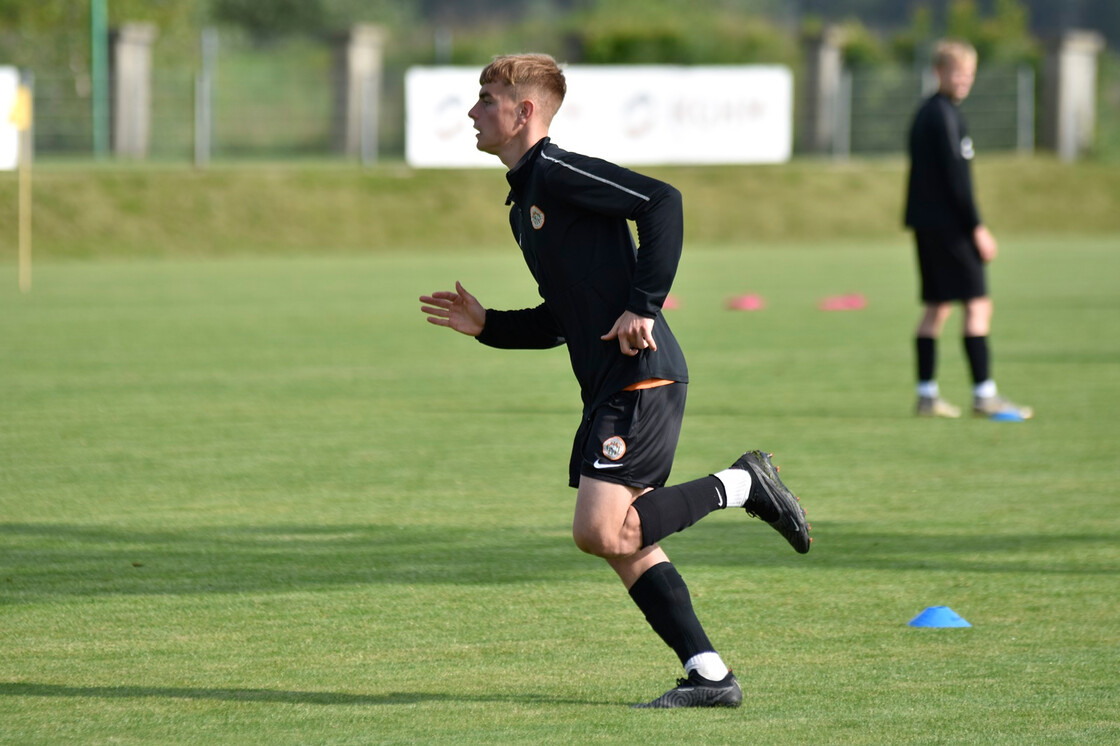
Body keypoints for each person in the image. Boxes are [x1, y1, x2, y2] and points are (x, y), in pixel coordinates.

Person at [419, 54, 811, 709]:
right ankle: (710, 675)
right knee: (625, 541)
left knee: (602, 530)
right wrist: (488, 325)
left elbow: (663, 202)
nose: (472, 112)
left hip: (642, 378)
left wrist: (645, 304)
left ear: (524, 113)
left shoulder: (557, 171)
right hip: (609, 385)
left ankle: (744, 483)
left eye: (486, 99)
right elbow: (562, 319)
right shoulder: (525, 206)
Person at [905, 39, 1032, 419]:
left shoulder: (928, 113)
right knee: (978, 304)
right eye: (957, 72)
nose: (964, 80)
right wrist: (977, 227)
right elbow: (956, 180)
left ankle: (926, 395)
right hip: (949, 227)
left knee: (937, 308)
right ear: (938, 72)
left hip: (926, 223)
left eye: (970, 74)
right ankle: (984, 394)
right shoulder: (944, 116)